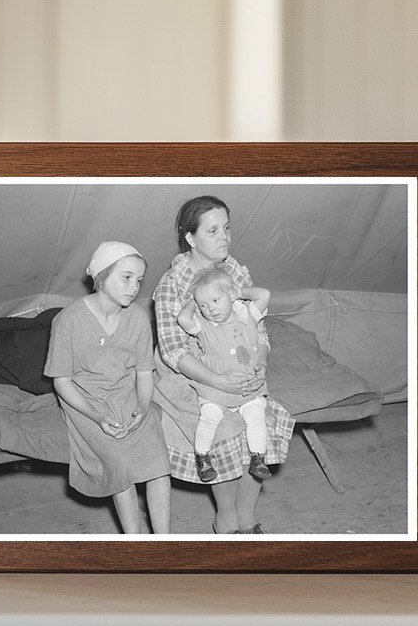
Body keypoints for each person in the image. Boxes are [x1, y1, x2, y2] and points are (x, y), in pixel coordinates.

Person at [153, 196, 293, 535]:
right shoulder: (173, 283)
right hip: (190, 375)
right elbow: (174, 351)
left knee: (262, 421)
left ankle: (247, 518)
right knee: (223, 430)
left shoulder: (235, 270)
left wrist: (259, 361)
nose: (225, 237)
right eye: (213, 230)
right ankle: (226, 519)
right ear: (190, 238)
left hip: (239, 366)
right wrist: (218, 381)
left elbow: (257, 326)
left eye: (227, 228)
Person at [44, 241, 171, 534]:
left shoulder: (138, 318)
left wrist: (142, 406)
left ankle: (165, 543)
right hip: (86, 402)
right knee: (120, 465)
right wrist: (97, 418)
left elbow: (144, 374)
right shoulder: (68, 321)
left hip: (127, 396)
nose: (134, 287)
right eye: (126, 277)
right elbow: (61, 382)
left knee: (158, 464)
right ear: (101, 276)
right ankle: (135, 543)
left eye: (139, 280)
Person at [176, 265, 272, 484]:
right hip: (215, 388)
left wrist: (240, 292)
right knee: (210, 416)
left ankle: (258, 458)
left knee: (256, 414)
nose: (210, 309)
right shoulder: (203, 325)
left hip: (248, 384)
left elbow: (264, 294)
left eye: (215, 300)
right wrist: (195, 300)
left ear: (230, 296)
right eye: (204, 305)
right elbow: (183, 319)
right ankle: (203, 457)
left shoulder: (248, 316)